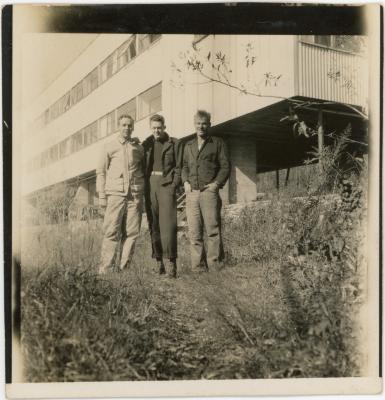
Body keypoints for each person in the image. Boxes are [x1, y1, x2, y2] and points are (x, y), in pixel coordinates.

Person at [181, 110, 230, 272]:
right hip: (192, 193)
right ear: (194, 124)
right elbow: (184, 167)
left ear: (209, 124)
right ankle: (198, 267)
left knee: (212, 230)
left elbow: (225, 166)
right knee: (194, 231)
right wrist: (185, 182)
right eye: (198, 123)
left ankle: (214, 265)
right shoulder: (188, 145)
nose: (201, 126)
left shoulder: (217, 143)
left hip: (209, 192)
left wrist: (216, 184)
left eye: (204, 123)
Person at [96, 114, 145, 274]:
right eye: (123, 125)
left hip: (134, 195)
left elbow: (142, 170)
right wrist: (102, 196)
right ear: (118, 126)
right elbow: (101, 172)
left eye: (129, 125)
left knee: (132, 233)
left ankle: (124, 269)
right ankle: (105, 270)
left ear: (133, 127)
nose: (127, 128)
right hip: (115, 194)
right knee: (111, 231)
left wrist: (141, 192)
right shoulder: (108, 146)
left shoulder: (138, 148)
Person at [142, 114, 182, 278]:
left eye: (159, 127)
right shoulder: (146, 144)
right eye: (154, 128)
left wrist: (174, 185)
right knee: (154, 225)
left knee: (168, 226)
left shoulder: (174, 143)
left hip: (166, 184)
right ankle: (159, 263)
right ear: (151, 128)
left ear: (164, 127)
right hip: (150, 184)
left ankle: (171, 264)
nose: (157, 130)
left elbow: (179, 166)